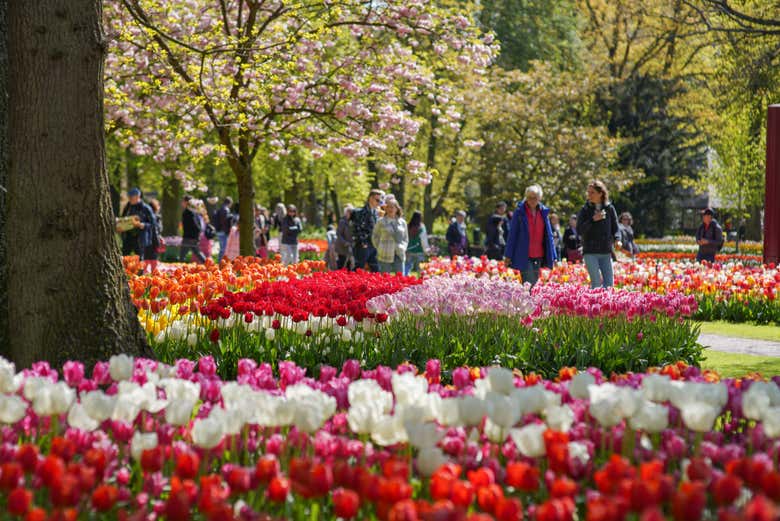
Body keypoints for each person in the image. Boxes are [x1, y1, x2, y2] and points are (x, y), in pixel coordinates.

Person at [504, 185, 556, 286]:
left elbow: (549, 235)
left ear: (539, 198)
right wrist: (508, 255)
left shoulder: (543, 212)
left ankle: (527, 300)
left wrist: (553, 255)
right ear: (526, 197)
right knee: (529, 282)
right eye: (529, 197)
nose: (532, 200)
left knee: (534, 282)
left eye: (535, 198)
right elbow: (512, 234)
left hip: (539, 254)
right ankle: (528, 301)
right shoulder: (519, 212)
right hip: (524, 254)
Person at [577, 181, 620, 288]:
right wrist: (593, 220)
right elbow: (579, 229)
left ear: (600, 193)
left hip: (606, 251)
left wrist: (617, 239)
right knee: (596, 283)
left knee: (609, 284)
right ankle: (594, 304)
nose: (589, 195)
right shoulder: (585, 209)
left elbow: (616, 228)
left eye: (592, 192)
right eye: (588, 192)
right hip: (590, 251)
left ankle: (605, 305)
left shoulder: (609, 208)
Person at [351, 189, 384, 271]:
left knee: (375, 269)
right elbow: (356, 228)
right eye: (377, 200)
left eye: (380, 201)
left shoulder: (376, 213)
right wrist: (363, 243)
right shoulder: (359, 212)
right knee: (359, 267)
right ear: (370, 198)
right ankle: (348, 283)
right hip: (364, 244)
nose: (379, 203)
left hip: (374, 245)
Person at [372, 199, 408, 274]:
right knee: (385, 279)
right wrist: (379, 247)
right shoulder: (380, 222)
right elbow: (375, 236)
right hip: (384, 253)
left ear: (397, 209)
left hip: (399, 253)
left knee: (401, 278)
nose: (390, 209)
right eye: (388, 207)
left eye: (392, 207)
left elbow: (405, 238)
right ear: (385, 209)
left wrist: (403, 247)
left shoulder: (402, 222)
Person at [118, 188, 155, 259]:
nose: (130, 199)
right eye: (129, 197)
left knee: (139, 259)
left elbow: (153, 224)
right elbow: (123, 219)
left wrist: (142, 225)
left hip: (140, 238)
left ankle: (140, 270)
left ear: (138, 197)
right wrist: (121, 227)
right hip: (128, 237)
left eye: (132, 197)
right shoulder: (127, 207)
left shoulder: (146, 208)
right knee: (124, 257)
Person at [180, 196, 206, 263]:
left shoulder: (188, 212)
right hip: (192, 237)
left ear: (186, 202)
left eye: (183, 201)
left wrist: (196, 234)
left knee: (182, 255)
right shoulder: (193, 212)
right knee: (197, 252)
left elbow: (195, 225)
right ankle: (208, 264)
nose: (181, 202)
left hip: (189, 237)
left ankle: (179, 270)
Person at [405, 211, 430, 275]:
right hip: (419, 250)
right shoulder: (421, 227)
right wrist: (426, 250)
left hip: (409, 250)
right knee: (420, 269)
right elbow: (423, 240)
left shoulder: (408, 226)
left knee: (407, 267)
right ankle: (421, 282)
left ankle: (405, 280)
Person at [144, 198, 163, 272]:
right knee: (153, 259)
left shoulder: (145, 217)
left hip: (146, 240)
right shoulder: (157, 218)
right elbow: (159, 230)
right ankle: (153, 277)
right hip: (154, 240)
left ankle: (144, 277)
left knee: (146, 259)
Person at [214, 197, 234, 262]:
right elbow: (224, 221)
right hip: (223, 232)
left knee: (222, 248)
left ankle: (221, 262)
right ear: (229, 203)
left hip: (219, 230)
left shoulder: (220, 208)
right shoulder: (226, 209)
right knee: (224, 249)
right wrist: (227, 231)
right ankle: (221, 263)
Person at [335, 204, 354, 270]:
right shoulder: (342, 221)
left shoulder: (352, 221)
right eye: (349, 212)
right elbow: (338, 234)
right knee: (341, 263)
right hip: (342, 247)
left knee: (349, 264)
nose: (351, 214)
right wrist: (345, 242)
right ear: (346, 213)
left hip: (350, 246)